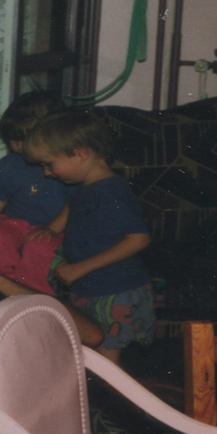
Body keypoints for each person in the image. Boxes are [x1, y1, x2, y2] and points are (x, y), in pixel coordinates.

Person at [23, 109, 155, 365]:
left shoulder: (112, 192)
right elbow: (71, 208)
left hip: (115, 289)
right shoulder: (84, 187)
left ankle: (109, 392)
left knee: (106, 358)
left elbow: (138, 239)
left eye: (49, 164)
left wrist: (79, 269)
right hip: (89, 287)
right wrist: (51, 229)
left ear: (81, 152)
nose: (47, 173)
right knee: (86, 352)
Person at [0, 91, 70, 295]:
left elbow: (74, 204)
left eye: (23, 138)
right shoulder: (7, 166)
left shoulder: (64, 166)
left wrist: (51, 229)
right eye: (12, 138)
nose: (16, 145)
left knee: (38, 247)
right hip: (15, 224)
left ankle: (34, 293)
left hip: (55, 229)